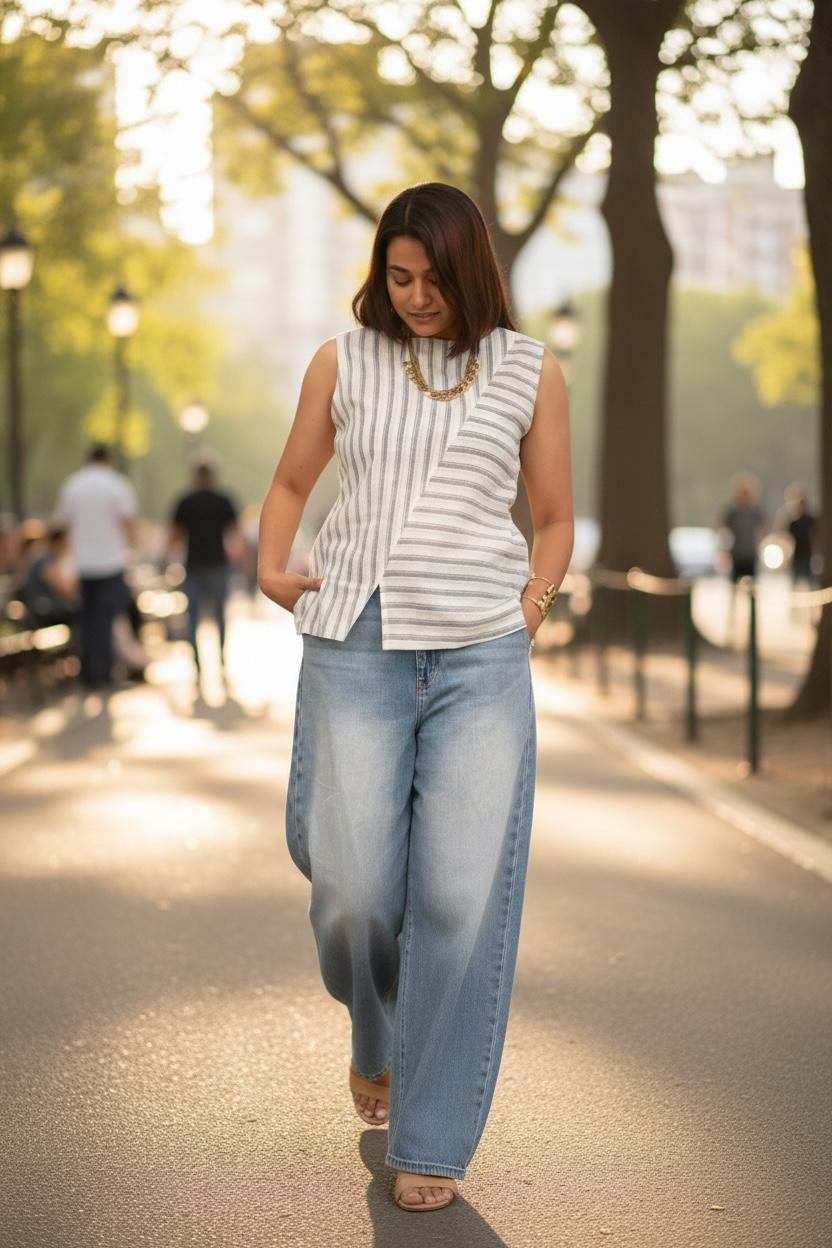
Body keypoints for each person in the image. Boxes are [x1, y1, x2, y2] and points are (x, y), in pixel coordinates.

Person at [257, 183, 573, 1213]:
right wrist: (271, 565)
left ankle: (430, 1137)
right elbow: (295, 480)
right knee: (351, 886)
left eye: (434, 278)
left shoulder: (529, 370)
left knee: (455, 901)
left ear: (471, 270)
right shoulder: (342, 362)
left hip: (480, 660)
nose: (416, 296)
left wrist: (531, 604)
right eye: (397, 277)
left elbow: (556, 514)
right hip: (356, 643)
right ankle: (373, 1032)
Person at [54, 444, 138, 690]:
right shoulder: (117, 484)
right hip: (110, 562)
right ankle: (105, 673)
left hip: (83, 564)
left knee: (88, 619)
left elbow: (64, 525)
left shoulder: (73, 485)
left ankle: (89, 673)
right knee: (109, 618)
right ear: (108, 458)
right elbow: (128, 522)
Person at [167, 457, 239, 675]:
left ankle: (197, 663)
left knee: (193, 616)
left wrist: (171, 562)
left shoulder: (185, 501)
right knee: (220, 614)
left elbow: (175, 537)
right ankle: (221, 659)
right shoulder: (223, 500)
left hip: (194, 564)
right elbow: (234, 534)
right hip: (218, 564)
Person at [720, 472, 767, 641]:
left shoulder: (756, 511)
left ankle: (752, 630)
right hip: (737, 556)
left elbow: (764, 530)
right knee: (733, 593)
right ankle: (732, 629)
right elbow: (722, 528)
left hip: (751, 556)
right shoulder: (733, 512)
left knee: (752, 595)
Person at [18, 523, 79, 627]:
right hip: (44, 610)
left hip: (41, 607)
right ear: (60, 542)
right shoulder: (46, 558)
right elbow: (65, 589)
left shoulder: (42, 555)